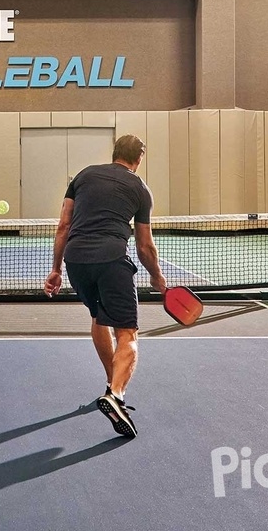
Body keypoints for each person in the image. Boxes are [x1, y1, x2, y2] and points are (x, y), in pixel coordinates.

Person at [43, 134, 167, 439]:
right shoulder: (140, 188)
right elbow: (144, 245)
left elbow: (63, 226)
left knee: (98, 317)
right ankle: (116, 394)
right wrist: (157, 276)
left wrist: (56, 269)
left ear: (114, 153)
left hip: (76, 261)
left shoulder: (83, 176)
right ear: (139, 158)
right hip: (112, 260)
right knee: (127, 334)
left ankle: (112, 384)